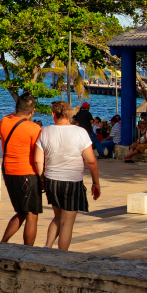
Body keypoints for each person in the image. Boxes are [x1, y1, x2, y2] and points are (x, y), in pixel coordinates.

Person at [35, 101, 101, 251]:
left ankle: (47, 246)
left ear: (53, 114)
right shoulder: (80, 132)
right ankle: (61, 254)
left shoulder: (45, 131)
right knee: (67, 222)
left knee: (58, 217)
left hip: (52, 179)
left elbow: (39, 159)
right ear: (69, 114)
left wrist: (42, 179)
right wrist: (96, 183)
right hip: (72, 181)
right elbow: (91, 161)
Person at [0, 91, 42, 246]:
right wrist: (42, 178)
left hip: (9, 172)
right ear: (32, 111)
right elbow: (38, 156)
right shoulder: (34, 129)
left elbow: (12, 115)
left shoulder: (4, 121)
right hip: (27, 173)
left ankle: (3, 242)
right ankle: (28, 249)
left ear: (16, 107)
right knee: (32, 214)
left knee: (21, 212)